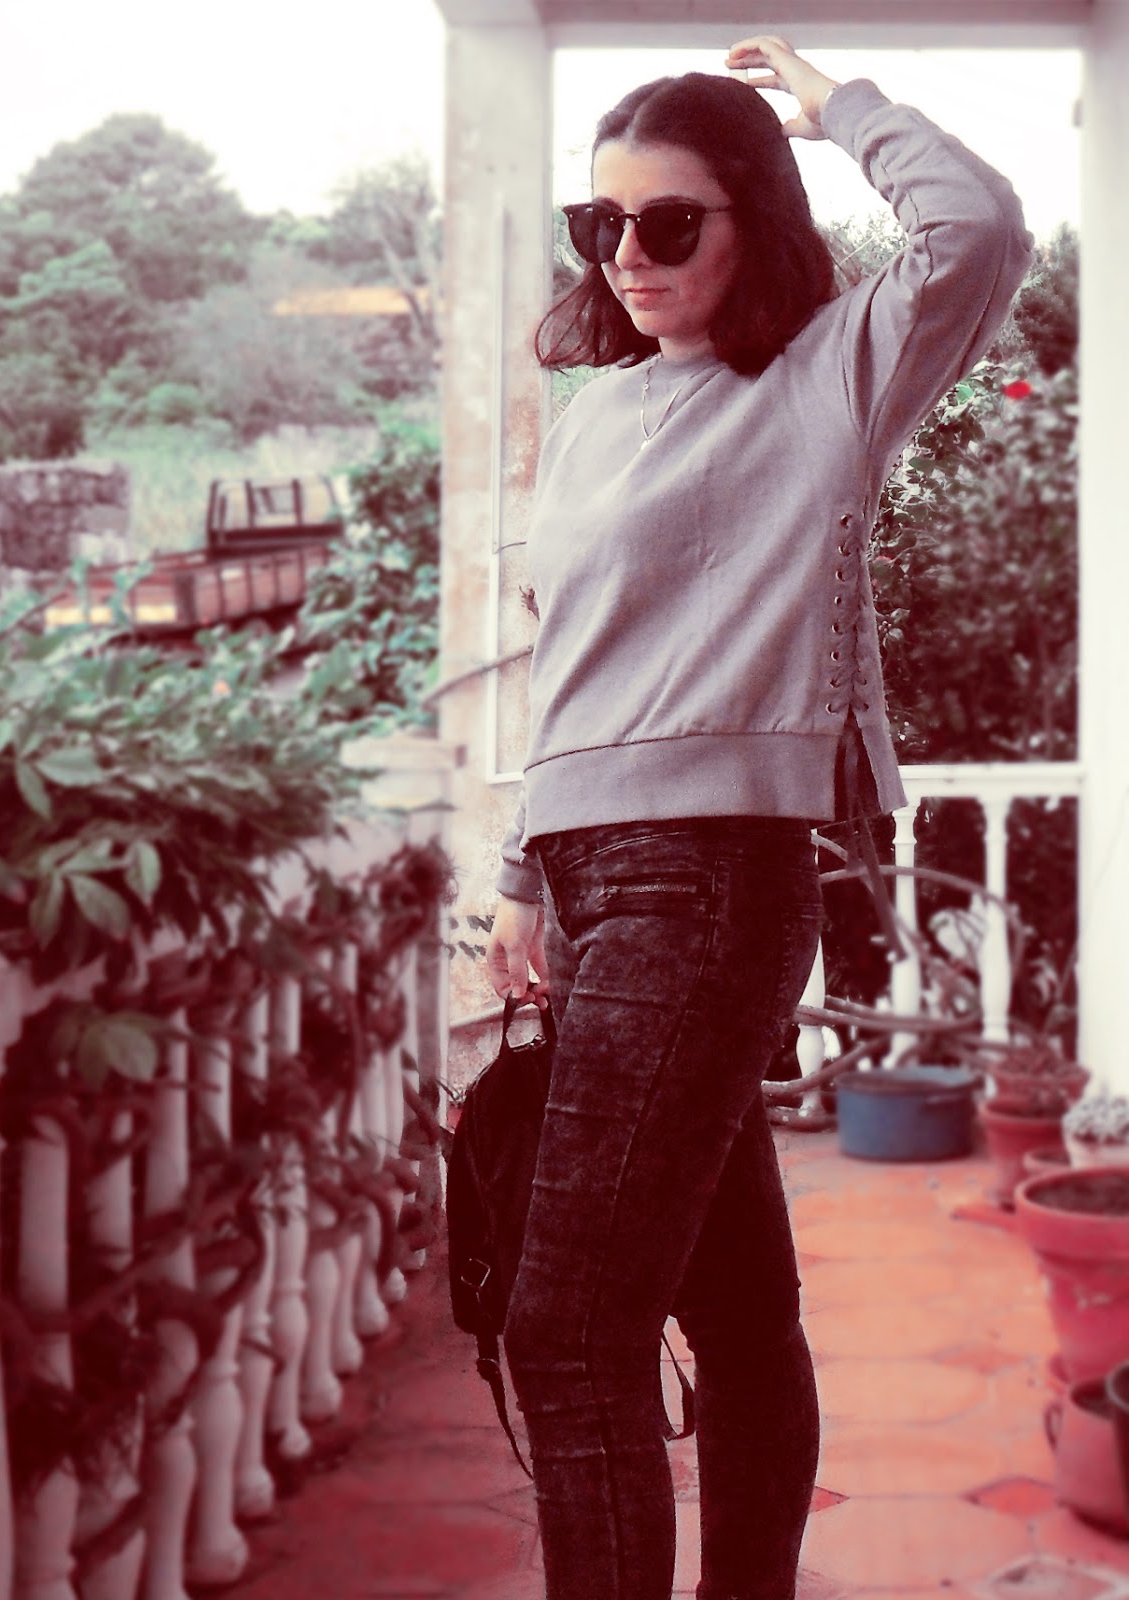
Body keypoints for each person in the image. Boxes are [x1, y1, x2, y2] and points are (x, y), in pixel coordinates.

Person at [484, 34, 1031, 1600]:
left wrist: (836, 104)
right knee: (731, 1315)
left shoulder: (830, 375)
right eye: (602, 224)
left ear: (754, 221)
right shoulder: (594, 413)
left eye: (670, 221)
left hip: (711, 880)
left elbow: (981, 227)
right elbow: (574, 667)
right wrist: (525, 877)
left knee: (566, 1331)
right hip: (597, 883)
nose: (628, 255)